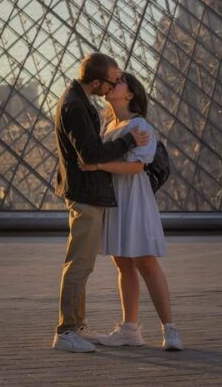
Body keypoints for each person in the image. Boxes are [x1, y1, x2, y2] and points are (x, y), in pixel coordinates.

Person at [52, 53, 150, 353]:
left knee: (82, 264)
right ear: (96, 82)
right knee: (79, 265)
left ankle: (76, 325)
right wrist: (129, 141)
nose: (113, 86)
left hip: (84, 191)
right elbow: (91, 155)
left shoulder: (78, 101)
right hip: (83, 194)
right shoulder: (75, 106)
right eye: (112, 80)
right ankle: (66, 331)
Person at [80, 72, 183, 351]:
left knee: (146, 261)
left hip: (133, 196)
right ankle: (130, 329)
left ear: (130, 94)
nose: (113, 82)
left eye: (121, 80)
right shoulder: (108, 124)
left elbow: (138, 167)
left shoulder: (139, 125)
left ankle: (170, 328)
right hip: (114, 197)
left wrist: (98, 166)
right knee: (122, 263)